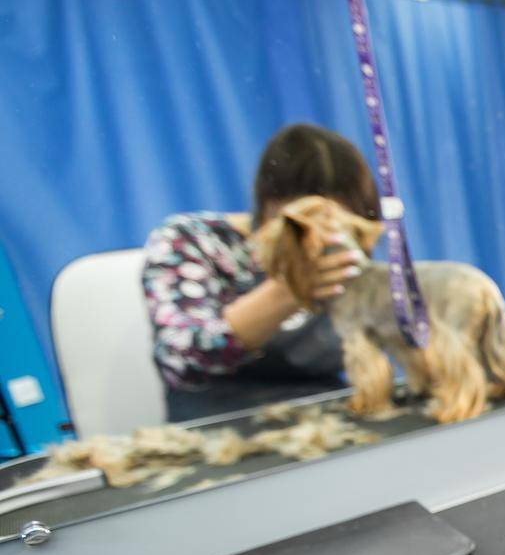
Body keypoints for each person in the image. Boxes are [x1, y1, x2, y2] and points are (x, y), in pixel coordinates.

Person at [141, 123, 379, 421]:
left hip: (326, 419)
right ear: (268, 206)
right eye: (306, 224)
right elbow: (182, 360)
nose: (323, 238)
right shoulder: (191, 241)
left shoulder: (346, 252)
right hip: (218, 426)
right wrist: (288, 290)